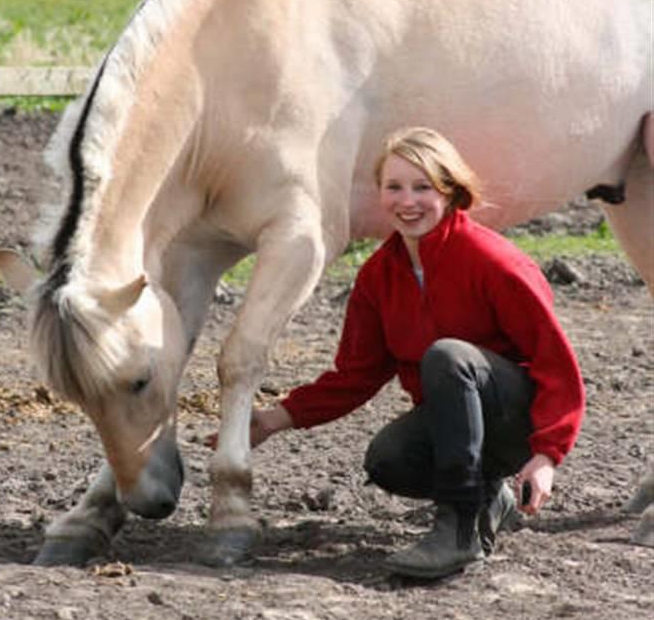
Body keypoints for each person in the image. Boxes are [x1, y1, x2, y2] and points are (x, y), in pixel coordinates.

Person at [244, 126, 586, 580]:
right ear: (379, 195)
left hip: (519, 422)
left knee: (448, 357)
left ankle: (459, 527)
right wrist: (274, 418)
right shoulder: (378, 276)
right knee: (388, 459)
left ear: (450, 190)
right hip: (460, 424)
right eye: (395, 187)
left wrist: (546, 456)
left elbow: (555, 364)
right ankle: (487, 495)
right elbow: (356, 375)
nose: (408, 202)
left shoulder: (495, 263)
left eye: (423, 187)